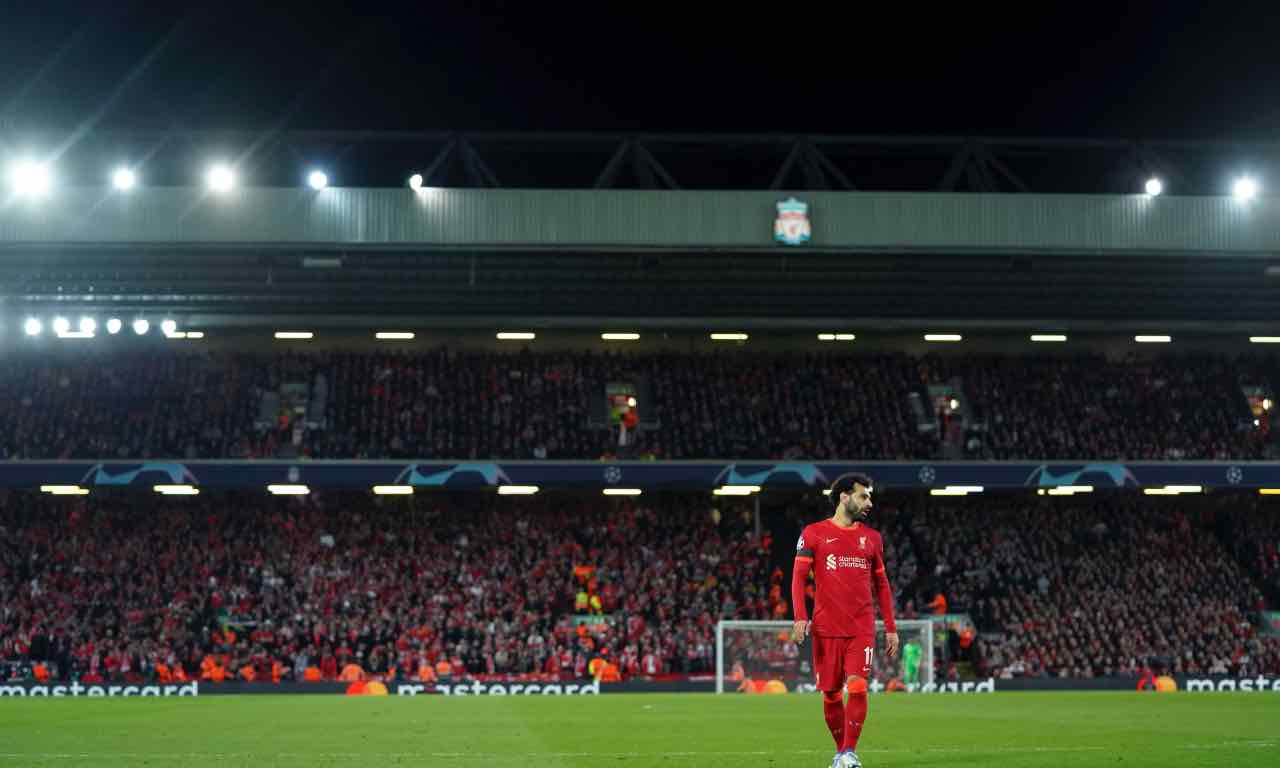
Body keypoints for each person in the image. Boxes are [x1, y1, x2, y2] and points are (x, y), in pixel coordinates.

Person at [792, 473, 898, 768]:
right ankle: (842, 753)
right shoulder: (813, 533)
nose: (870, 502)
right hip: (826, 628)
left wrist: (890, 627)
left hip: (861, 627)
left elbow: (883, 586)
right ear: (844, 496)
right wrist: (800, 616)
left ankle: (850, 752)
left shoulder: (872, 539)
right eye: (864, 496)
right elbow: (798, 578)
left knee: (859, 686)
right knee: (830, 694)